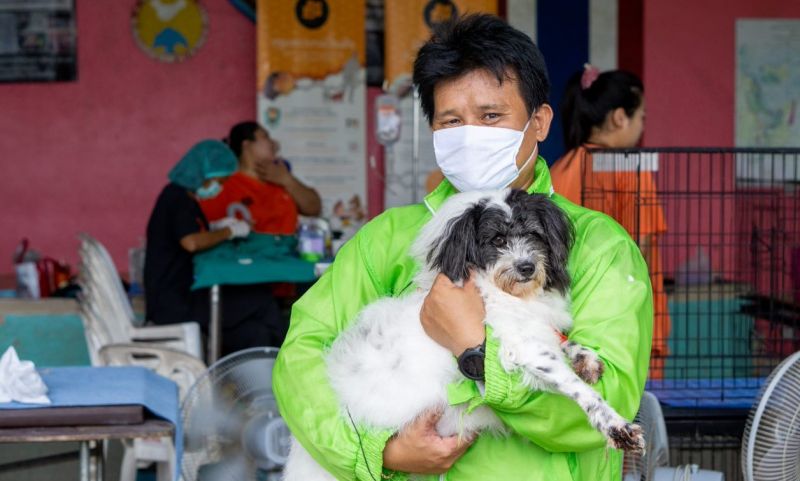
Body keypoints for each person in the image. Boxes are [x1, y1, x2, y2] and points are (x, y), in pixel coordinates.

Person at [273, 14, 652, 481]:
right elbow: (302, 356)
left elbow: (605, 403)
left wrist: (476, 350)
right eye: (451, 120)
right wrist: (378, 451)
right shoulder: (390, 237)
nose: (471, 133)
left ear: (539, 123)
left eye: (491, 116)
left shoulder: (599, 246)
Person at [550, 65, 670, 377]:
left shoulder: (558, 169)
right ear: (619, 117)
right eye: (641, 117)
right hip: (624, 321)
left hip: (568, 318)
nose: (642, 126)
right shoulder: (630, 168)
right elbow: (638, 250)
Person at [144, 140, 284, 354]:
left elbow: (192, 230)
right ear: (204, 173)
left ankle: (254, 377)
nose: (219, 187)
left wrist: (217, 226)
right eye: (220, 181)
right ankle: (289, 362)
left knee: (254, 332)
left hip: (178, 296)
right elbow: (191, 242)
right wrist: (230, 231)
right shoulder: (177, 198)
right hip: (174, 302)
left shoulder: (183, 197)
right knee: (262, 300)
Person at [200, 121, 321, 235]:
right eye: (266, 137)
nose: (274, 143)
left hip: (287, 255)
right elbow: (204, 232)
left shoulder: (281, 179)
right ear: (246, 145)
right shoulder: (224, 186)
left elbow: (314, 209)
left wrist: (288, 180)